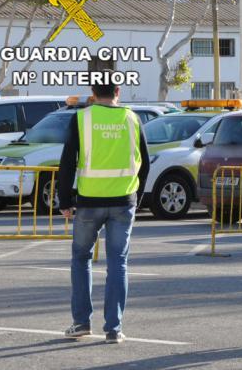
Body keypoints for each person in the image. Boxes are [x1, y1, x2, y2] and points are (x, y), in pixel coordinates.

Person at [58, 77, 150, 344]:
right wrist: (137, 197)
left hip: (89, 201)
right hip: (123, 201)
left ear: (93, 92)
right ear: (118, 91)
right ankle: (113, 329)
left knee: (81, 258)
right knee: (118, 264)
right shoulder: (133, 119)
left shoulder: (81, 118)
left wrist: (65, 200)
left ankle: (81, 322)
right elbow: (144, 163)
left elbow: (67, 162)